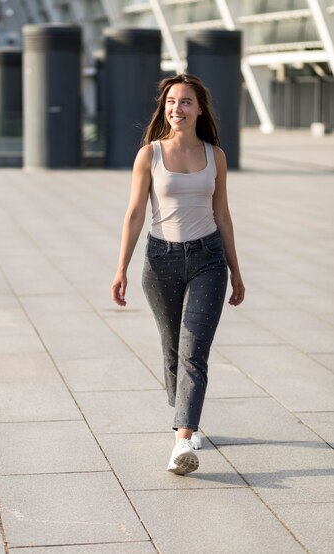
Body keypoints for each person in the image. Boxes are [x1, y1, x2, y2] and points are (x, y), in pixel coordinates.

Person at [111, 72, 245, 476]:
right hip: (161, 260)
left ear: (199, 108)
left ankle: (183, 439)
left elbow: (222, 214)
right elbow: (135, 214)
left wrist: (236, 271)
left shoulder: (214, 155)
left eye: (185, 102)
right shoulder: (149, 155)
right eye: (171, 102)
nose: (177, 109)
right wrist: (121, 269)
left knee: (193, 351)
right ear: (164, 109)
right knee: (173, 349)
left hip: (207, 259)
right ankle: (187, 414)